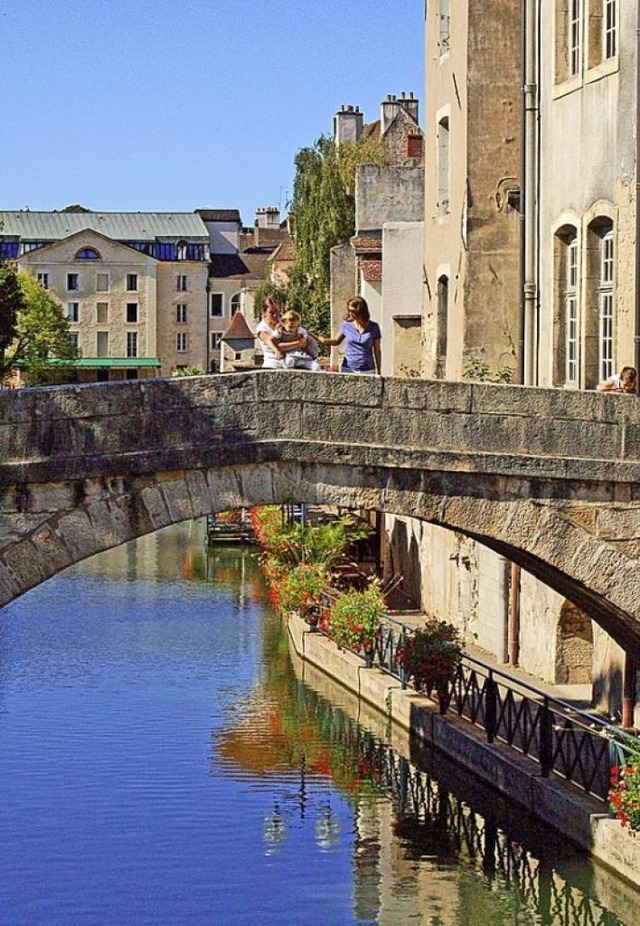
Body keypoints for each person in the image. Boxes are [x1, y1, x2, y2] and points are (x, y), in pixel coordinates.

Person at [314, 296, 381, 374]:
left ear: (361, 311)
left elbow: (377, 350)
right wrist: (325, 341)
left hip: (367, 369)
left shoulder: (374, 327)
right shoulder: (347, 325)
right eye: (348, 310)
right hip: (348, 368)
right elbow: (336, 341)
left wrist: (379, 370)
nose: (350, 313)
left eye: (352, 311)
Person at [255, 297, 307, 370]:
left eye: (277, 311)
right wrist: (298, 343)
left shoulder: (283, 321)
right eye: (271, 313)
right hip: (273, 364)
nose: (275, 315)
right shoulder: (262, 328)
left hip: (292, 361)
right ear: (264, 313)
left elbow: (300, 329)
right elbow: (277, 345)